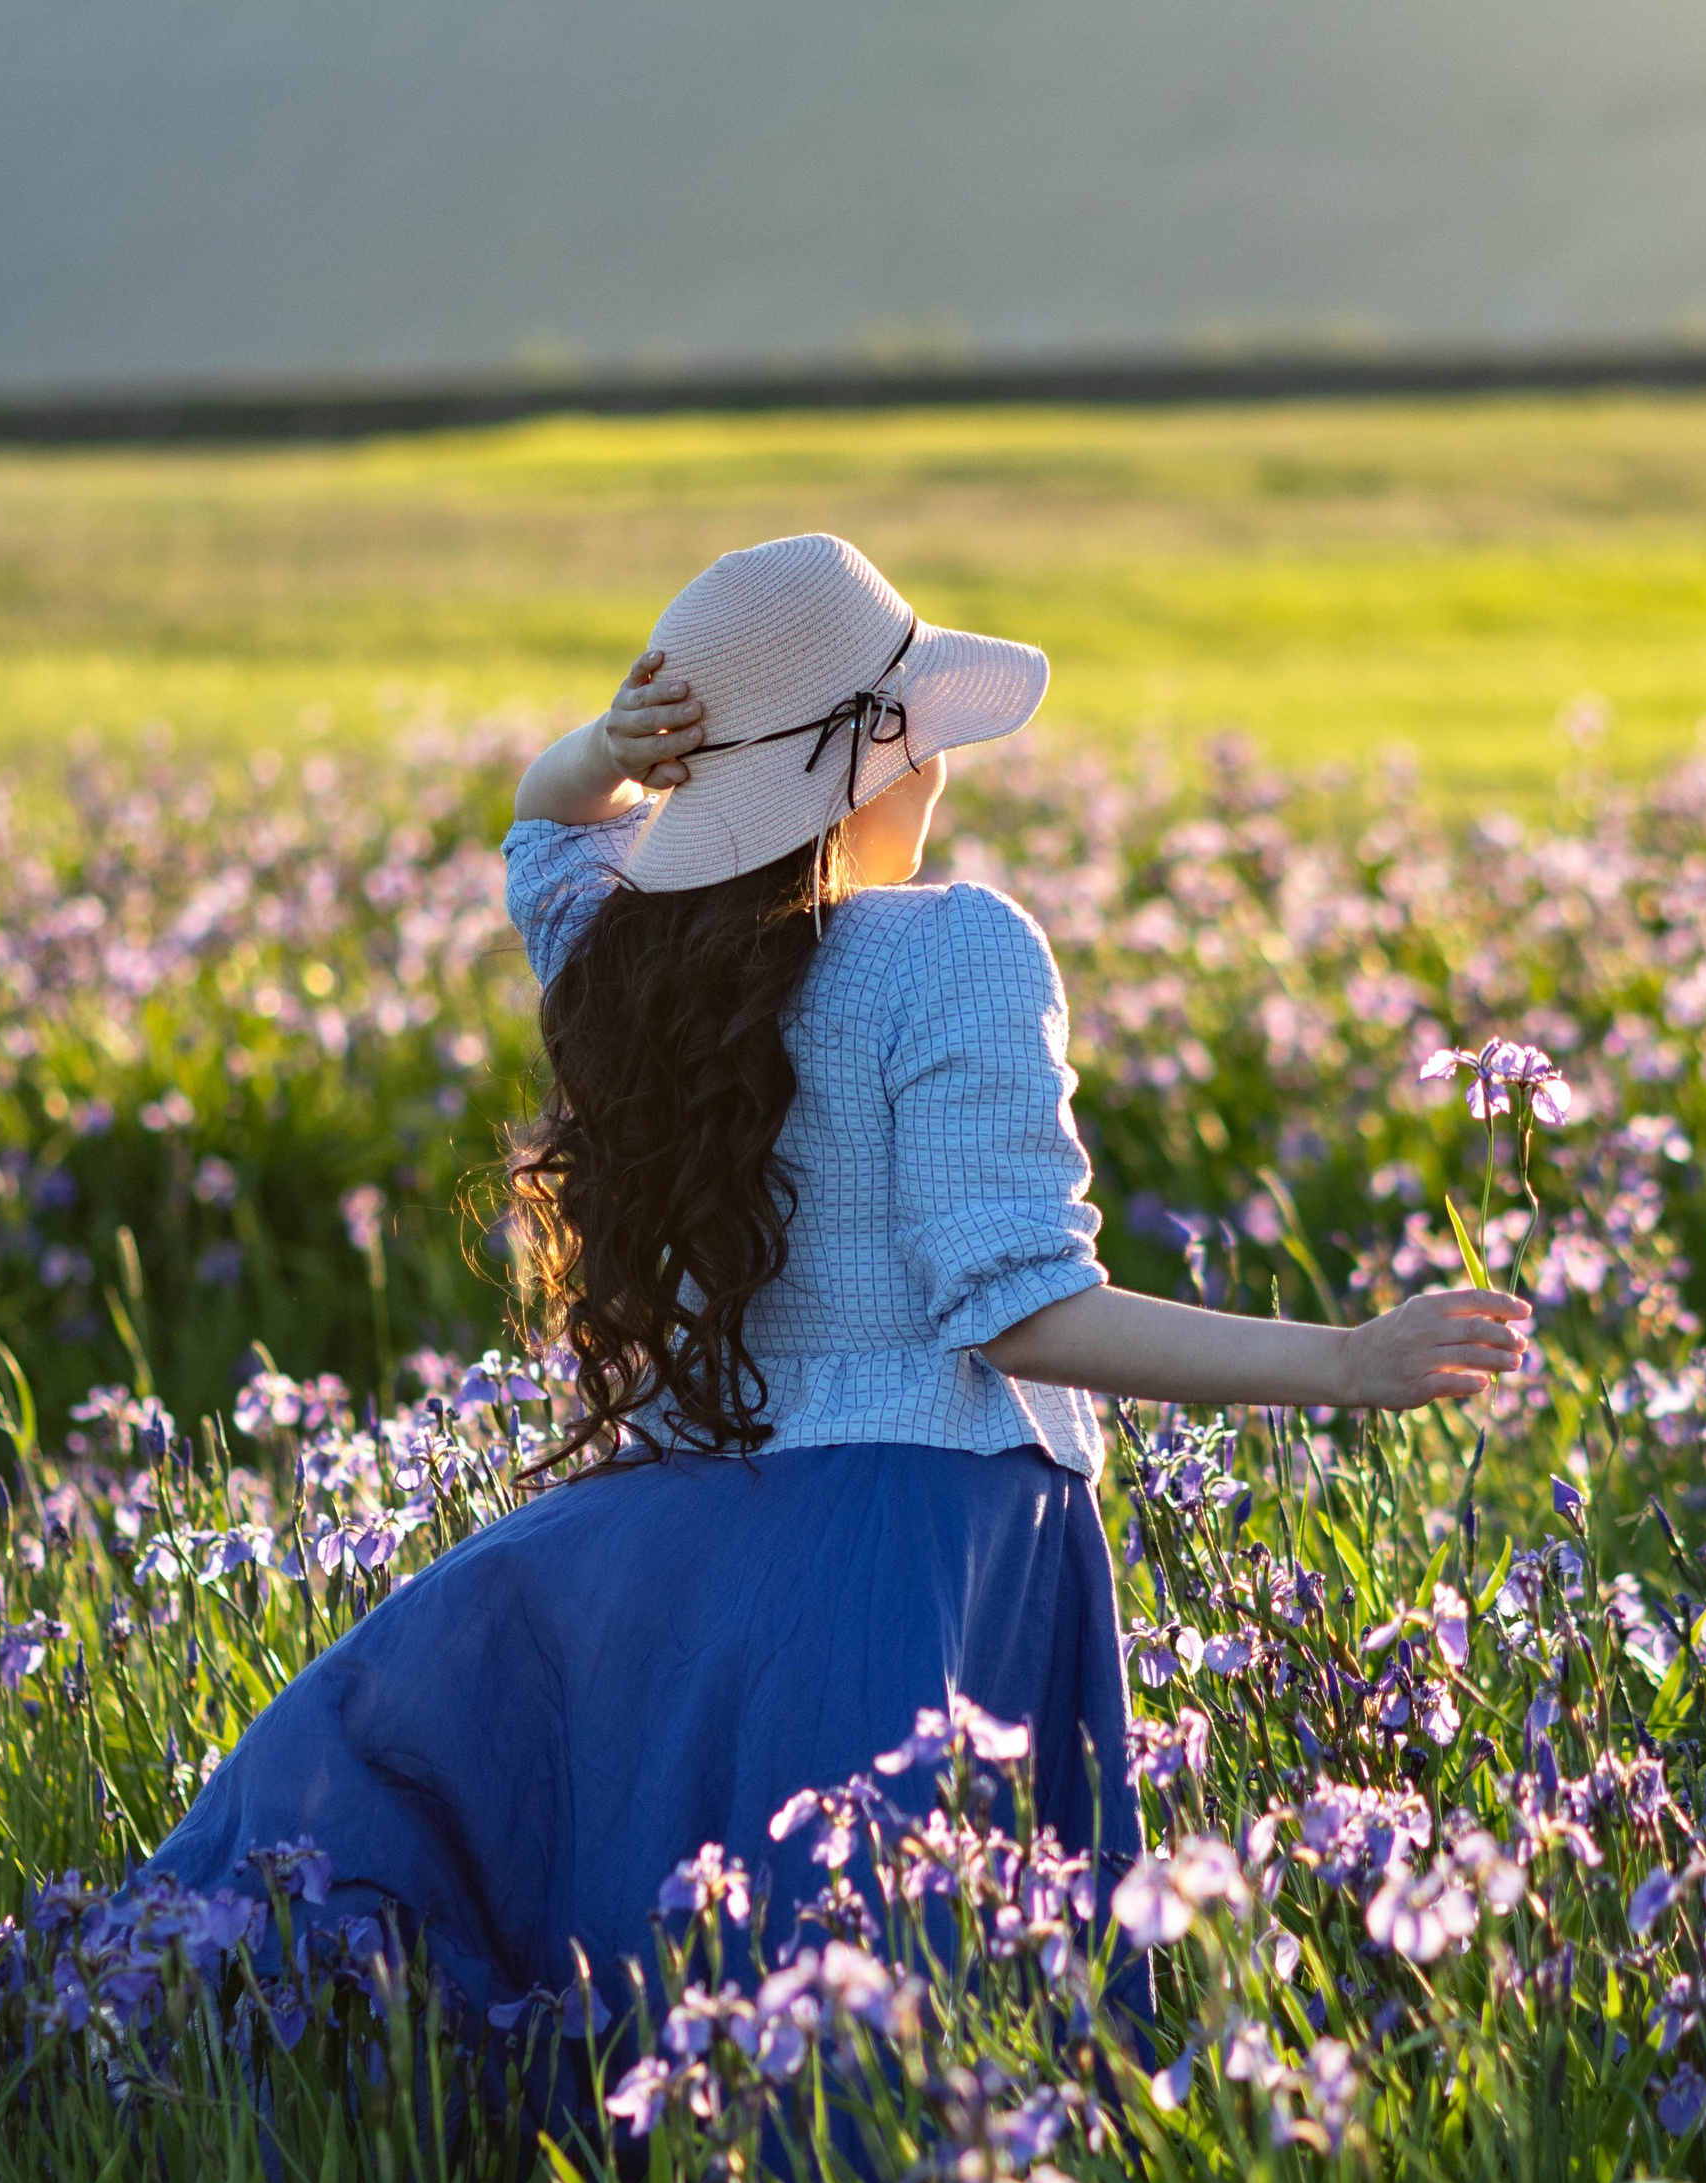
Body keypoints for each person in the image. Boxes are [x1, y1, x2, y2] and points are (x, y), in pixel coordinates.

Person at [146, 532, 1529, 2033]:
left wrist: (612, 752)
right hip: (922, 1551)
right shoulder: (958, 951)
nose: (941, 770)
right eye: (924, 735)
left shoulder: (624, 962)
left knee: (667, 1992)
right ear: (871, 757)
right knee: (895, 2025)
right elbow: (1016, 1309)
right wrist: (1345, 1362)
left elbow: (545, 830)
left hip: (685, 1538)